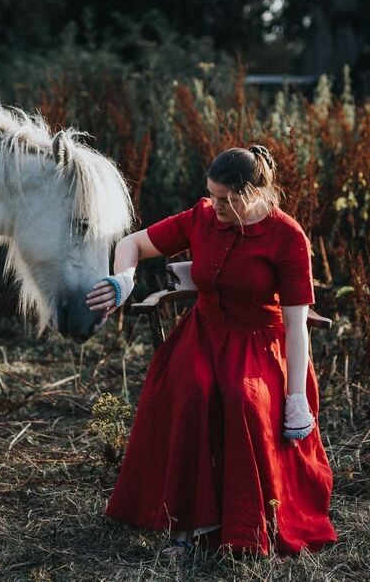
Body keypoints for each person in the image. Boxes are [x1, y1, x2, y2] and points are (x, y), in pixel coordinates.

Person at [86, 146, 336, 556]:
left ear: (256, 192)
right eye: (212, 194)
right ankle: (185, 526)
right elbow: (132, 243)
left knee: (243, 399)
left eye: (227, 199)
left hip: (260, 344)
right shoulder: (202, 216)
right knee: (192, 391)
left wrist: (296, 399)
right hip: (203, 335)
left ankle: (239, 524)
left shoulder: (287, 236)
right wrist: (124, 281)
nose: (215, 205)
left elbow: (295, 327)